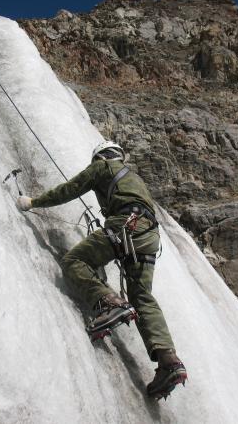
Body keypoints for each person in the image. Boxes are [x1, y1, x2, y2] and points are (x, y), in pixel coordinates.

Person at [16, 141, 187, 399]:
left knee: (74, 261)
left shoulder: (102, 167)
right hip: (149, 237)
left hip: (127, 225)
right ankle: (169, 361)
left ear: (101, 157)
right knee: (142, 297)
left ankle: (109, 303)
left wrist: (34, 202)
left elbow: (70, 189)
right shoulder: (135, 179)